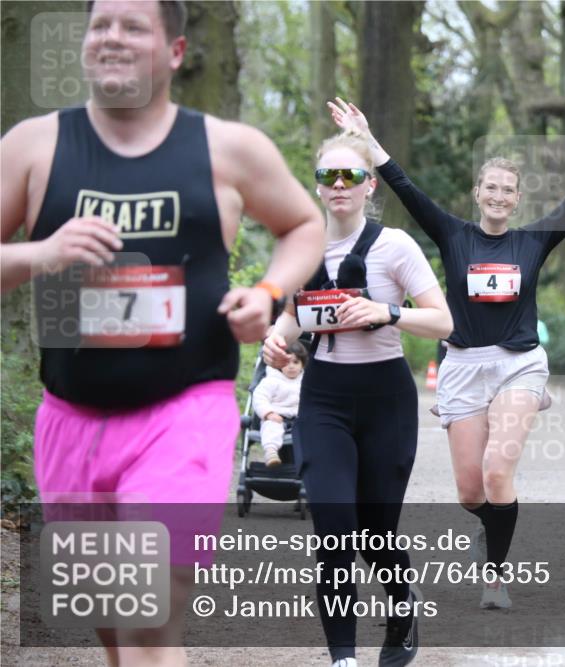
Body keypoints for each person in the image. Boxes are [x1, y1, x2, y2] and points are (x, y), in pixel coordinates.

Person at [0, 1, 324, 664]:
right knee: (113, 621)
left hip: (185, 412)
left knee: (148, 609)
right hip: (71, 420)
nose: (112, 38)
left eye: (133, 26)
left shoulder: (228, 148)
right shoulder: (33, 146)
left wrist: (267, 293)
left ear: (175, 52)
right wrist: (42, 254)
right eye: (101, 25)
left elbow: (303, 225)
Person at [329, 97, 565, 609]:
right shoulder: (452, 234)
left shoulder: (533, 241)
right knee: (471, 492)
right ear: (478, 193)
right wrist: (366, 138)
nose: (499, 196)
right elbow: (403, 185)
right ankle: (492, 525)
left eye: (508, 190)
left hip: (518, 364)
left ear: (517, 199)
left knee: (497, 470)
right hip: (462, 366)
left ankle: (495, 578)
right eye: (492, 188)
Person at [263, 129, 452, 667]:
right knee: (334, 531)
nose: (340, 184)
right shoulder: (301, 249)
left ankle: (402, 607)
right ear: (318, 186)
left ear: (371, 185)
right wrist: (275, 341)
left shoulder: (395, 246)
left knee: (374, 534)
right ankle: (342, 657)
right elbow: (292, 317)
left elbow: (443, 321)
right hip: (324, 400)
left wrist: (387, 312)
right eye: (329, 175)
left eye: (352, 175)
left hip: (386, 402)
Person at [253, 339, 307, 467]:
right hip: (277, 416)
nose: (291, 366)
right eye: (287, 362)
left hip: (299, 418)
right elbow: (260, 397)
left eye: (296, 362)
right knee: (271, 427)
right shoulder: (271, 380)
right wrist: (268, 413)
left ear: (303, 364)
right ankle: (271, 452)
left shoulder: (305, 381)